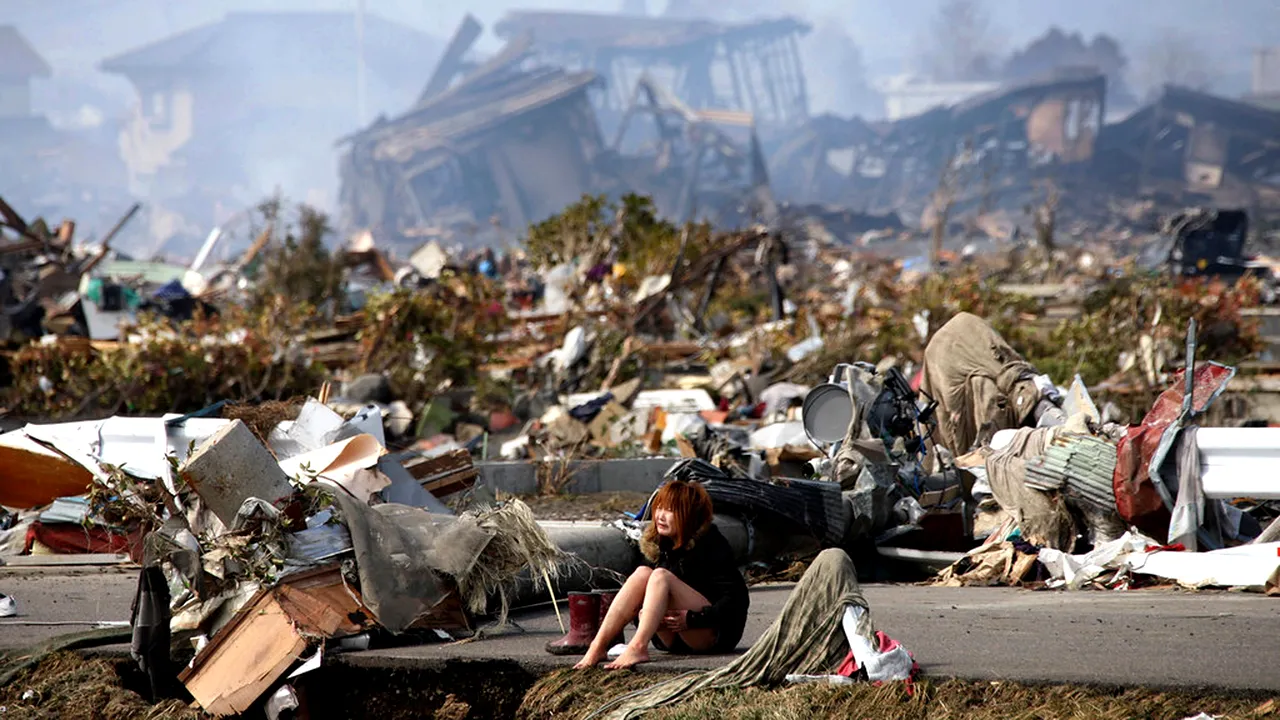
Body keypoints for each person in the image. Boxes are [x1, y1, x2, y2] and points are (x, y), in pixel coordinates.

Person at [574, 480, 749, 670]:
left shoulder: (712, 545)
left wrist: (692, 619)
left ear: (689, 515)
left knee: (661, 576)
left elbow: (737, 600)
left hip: (709, 635)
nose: (660, 516)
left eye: (670, 510)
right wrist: (643, 615)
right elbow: (636, 602)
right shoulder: (658, 545)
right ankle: (598, 646)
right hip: (669, 639)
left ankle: (638, 646)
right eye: (659, 508)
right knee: (642, 573)